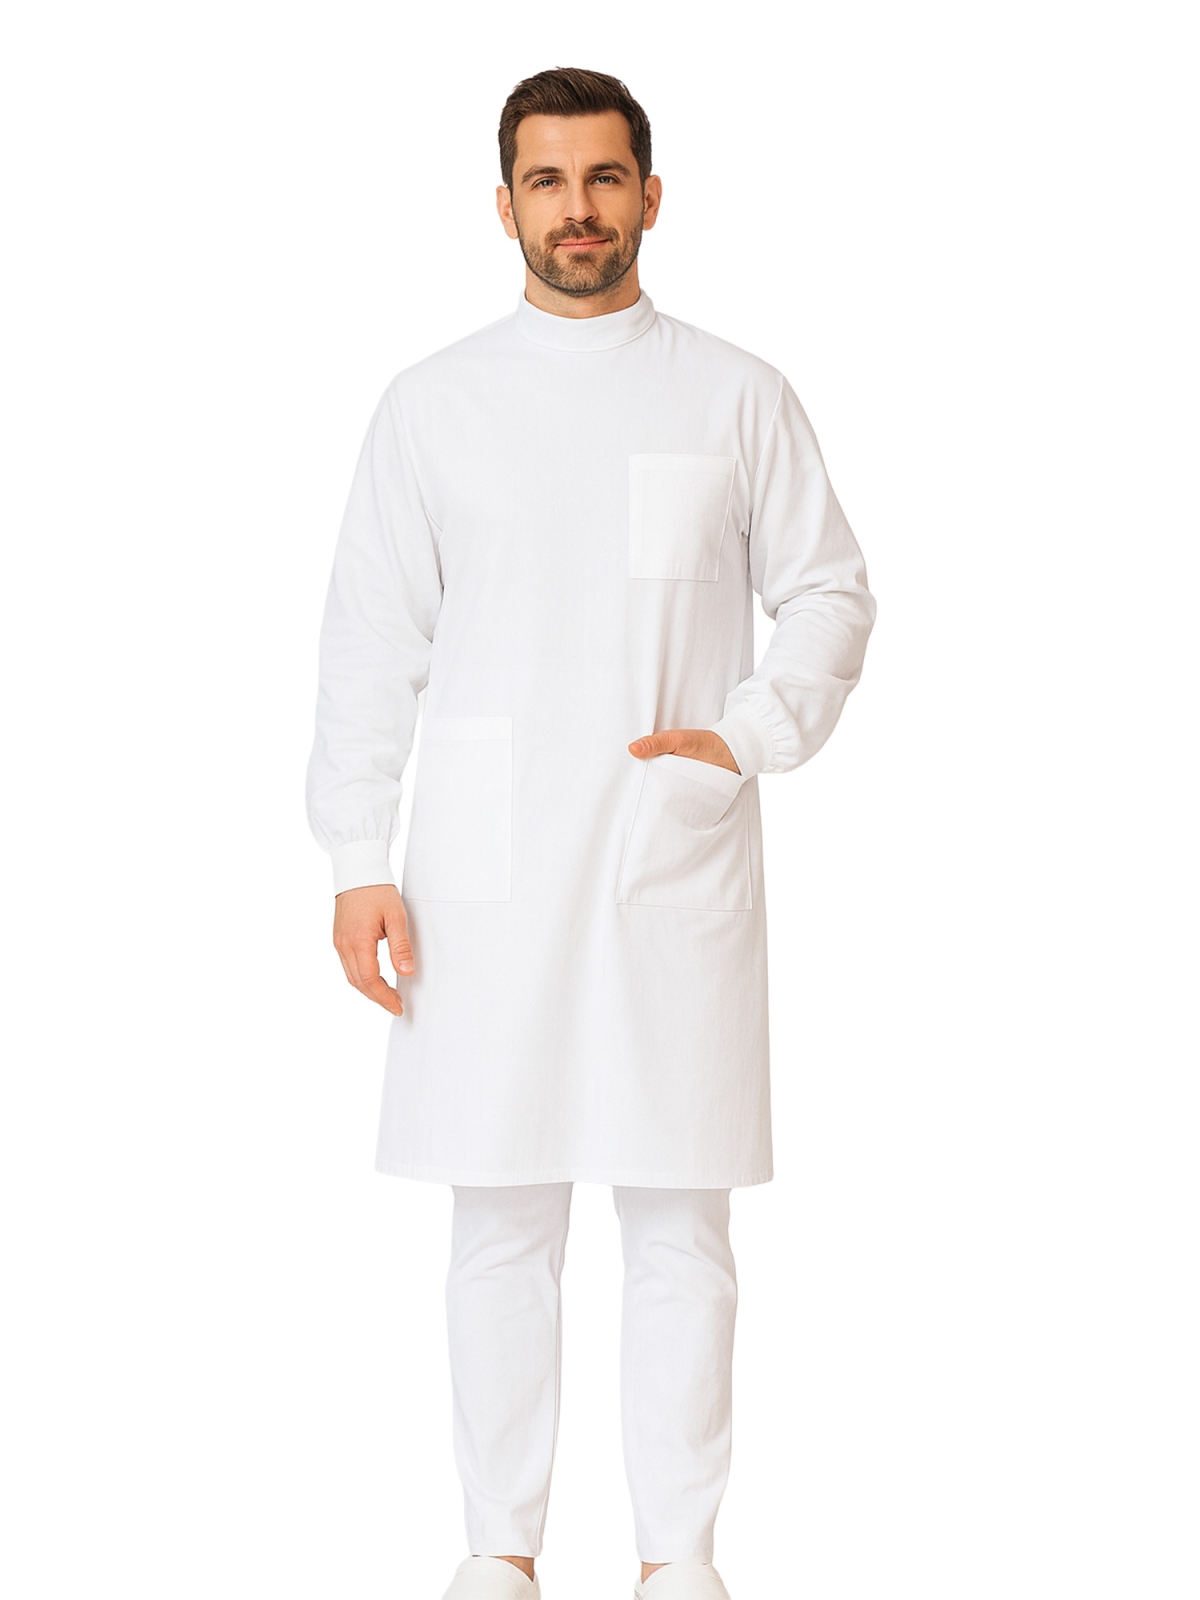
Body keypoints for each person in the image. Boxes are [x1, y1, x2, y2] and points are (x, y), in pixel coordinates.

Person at [306, 66, 876, 1600]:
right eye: (548, 181)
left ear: (652, 196)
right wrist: (360, 855)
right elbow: (370, 644)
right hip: (479, 872)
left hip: (666, 856)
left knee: (680, 1222)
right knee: (499, 1219)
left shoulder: (734, 394)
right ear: (503, 206)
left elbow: (830, 592)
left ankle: (677, 1560)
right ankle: (498, 1552)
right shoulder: (432, 406)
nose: (579, 209)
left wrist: (746, 736)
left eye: (605, 178)